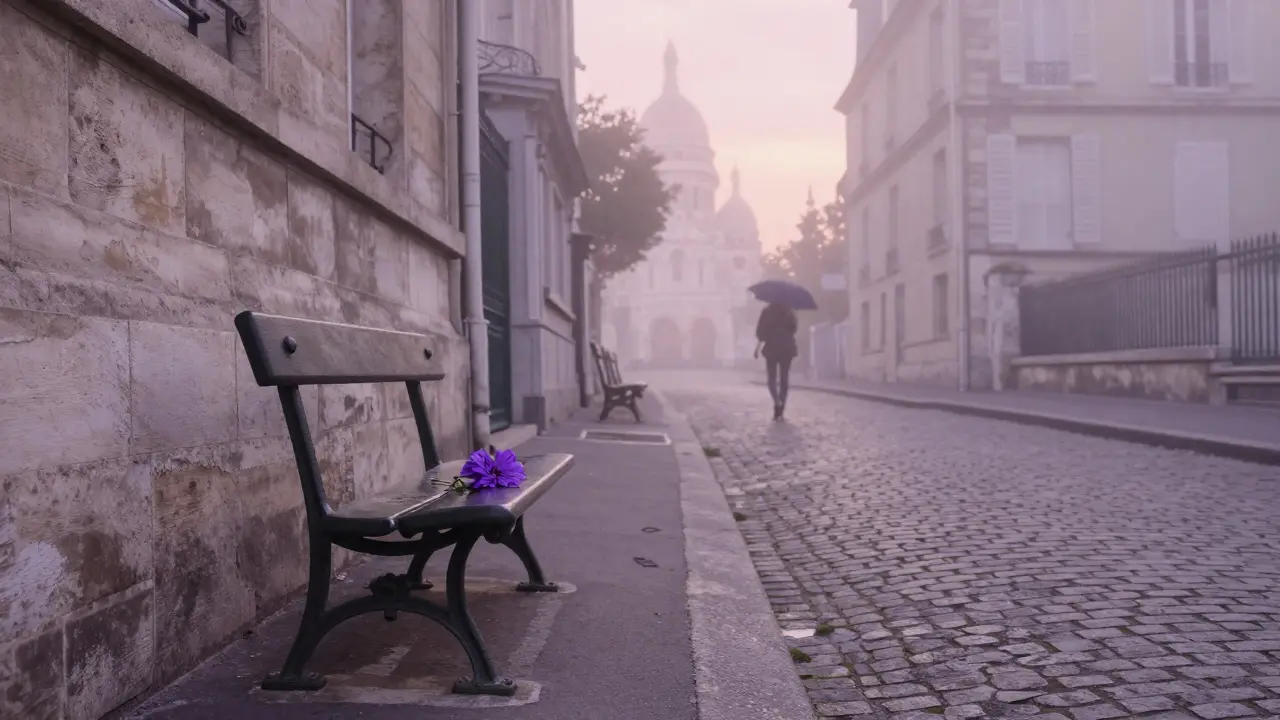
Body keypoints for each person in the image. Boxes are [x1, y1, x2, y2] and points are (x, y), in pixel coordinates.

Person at [754, 302, 798, 420]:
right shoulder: (790, 311)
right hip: (787, 348)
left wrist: (757, 348)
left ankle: (777, 402)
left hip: (772, 348)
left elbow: (760, 333)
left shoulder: (767, 312)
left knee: (771, 379)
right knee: (784, 379)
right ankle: (781, 406)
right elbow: (794, 329)